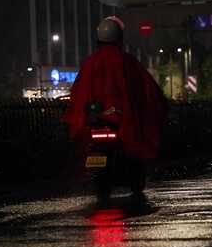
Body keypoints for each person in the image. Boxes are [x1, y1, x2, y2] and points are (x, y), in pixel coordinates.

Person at [63, 16, 168, 172]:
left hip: (96, 120)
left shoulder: (90, 63)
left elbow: (79, 93)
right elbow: (148, 90)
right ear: (119, 38)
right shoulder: (128, 62)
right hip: (122, 122)